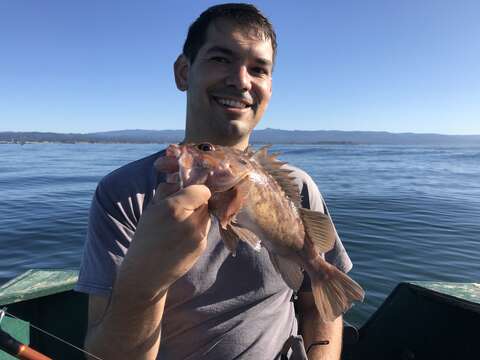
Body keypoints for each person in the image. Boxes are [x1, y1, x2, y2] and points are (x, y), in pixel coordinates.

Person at [75, 4, 354, 360]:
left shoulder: (298, 187)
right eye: (221, 59)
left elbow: (321, 304)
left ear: (270, 87)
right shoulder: (122, 195)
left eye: (258, 69)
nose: (241, 80)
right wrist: (145, 280)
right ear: (182, 72)